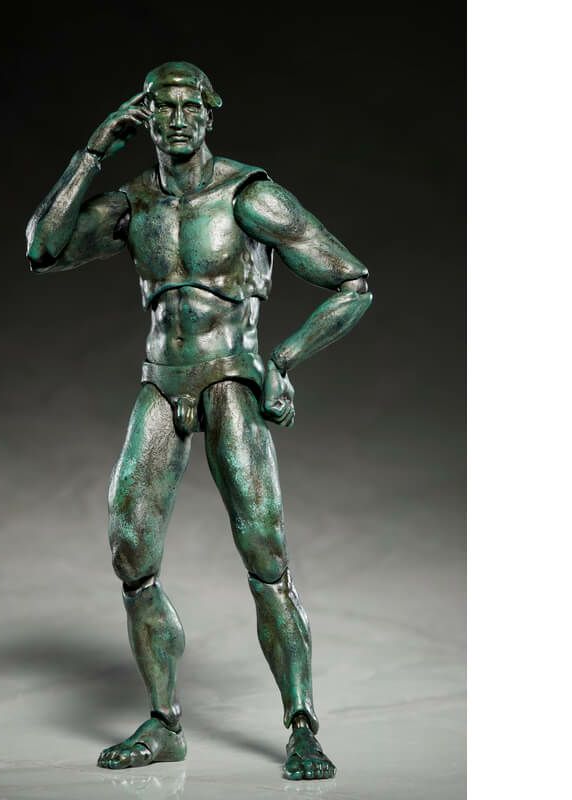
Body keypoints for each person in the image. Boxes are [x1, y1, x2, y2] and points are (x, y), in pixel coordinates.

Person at [25, 62, 372, 781]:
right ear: (144, 117)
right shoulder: (135, 204)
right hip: (161, 380)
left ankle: (302, 725)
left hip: (230, 378)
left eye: (190, 107)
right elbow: (42, 248)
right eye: (163, 107)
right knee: (130, 548)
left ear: (210, 114)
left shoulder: (248, 196)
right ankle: (164, 721)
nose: (178, 118)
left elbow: (352, 282)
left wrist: (283, 360)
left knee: (265, 552)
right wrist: (92, 150)